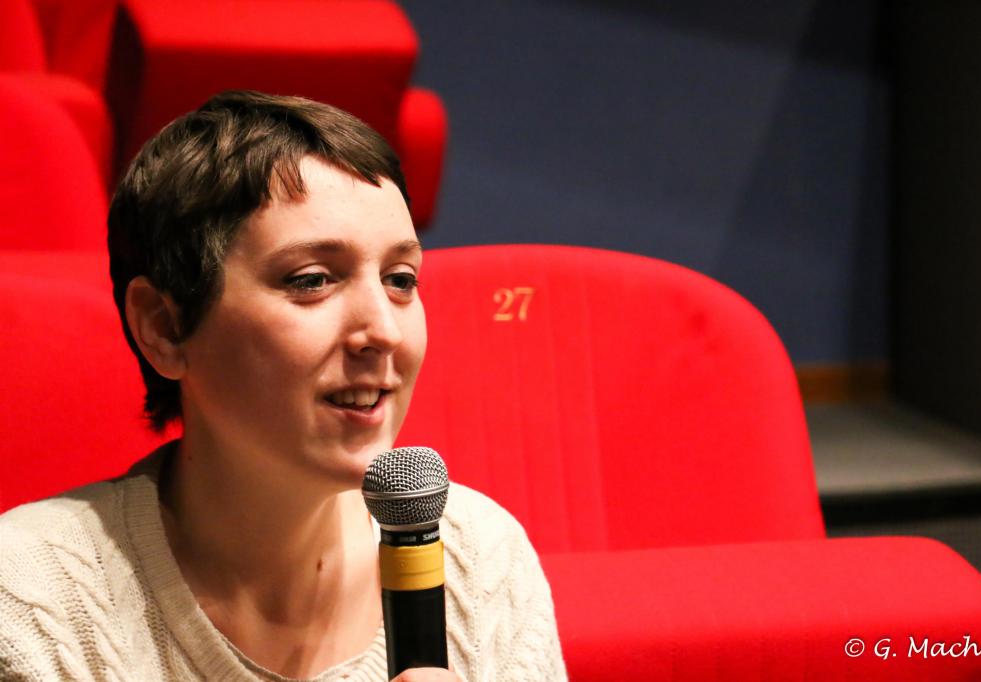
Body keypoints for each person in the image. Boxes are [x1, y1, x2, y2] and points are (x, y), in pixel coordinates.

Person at [0, 90, 567, 681]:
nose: (383, 331)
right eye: (312, 280)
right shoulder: (31, 605)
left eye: (401, 280)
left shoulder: (480, 559)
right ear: (165, 327)